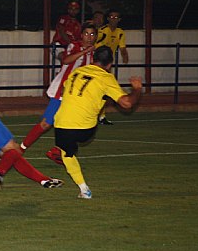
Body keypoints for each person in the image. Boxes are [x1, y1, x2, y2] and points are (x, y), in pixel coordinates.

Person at [52, 46, 142, 199]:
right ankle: (83, 190)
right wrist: (138, 89)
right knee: (101, 97)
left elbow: (64, 90)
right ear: (109, 65)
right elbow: (127, 104)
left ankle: (84, 189)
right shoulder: (106, 78)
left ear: (93, 59)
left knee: (67, 154)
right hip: (85, 129)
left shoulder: (77, 71)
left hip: (61, 124)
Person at [20, 23, 97, 160]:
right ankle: (21, 148)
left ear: (96, 36)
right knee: (46, 123)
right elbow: (66, 60)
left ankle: (58, 152)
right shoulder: (75, 46)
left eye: (92, 34)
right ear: (81, 35)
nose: (89, 37)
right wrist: (85, 51)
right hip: (61, 91)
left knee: (72, 124)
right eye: (86, 33)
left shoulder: (96, 54)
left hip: (77, 96)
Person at [95, 10, 129, 125]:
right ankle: (97, 115)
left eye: (116, 17)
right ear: (108, 18)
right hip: (98, 65)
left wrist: (125, 56)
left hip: (107, 65)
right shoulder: (103, 31)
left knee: (104, 92)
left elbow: (122, 47)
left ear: (119, 20)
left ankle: (101, 116)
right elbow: (94, 45)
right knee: (98, 91)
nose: (114, 19)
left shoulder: (120, 32)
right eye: (111, 17)